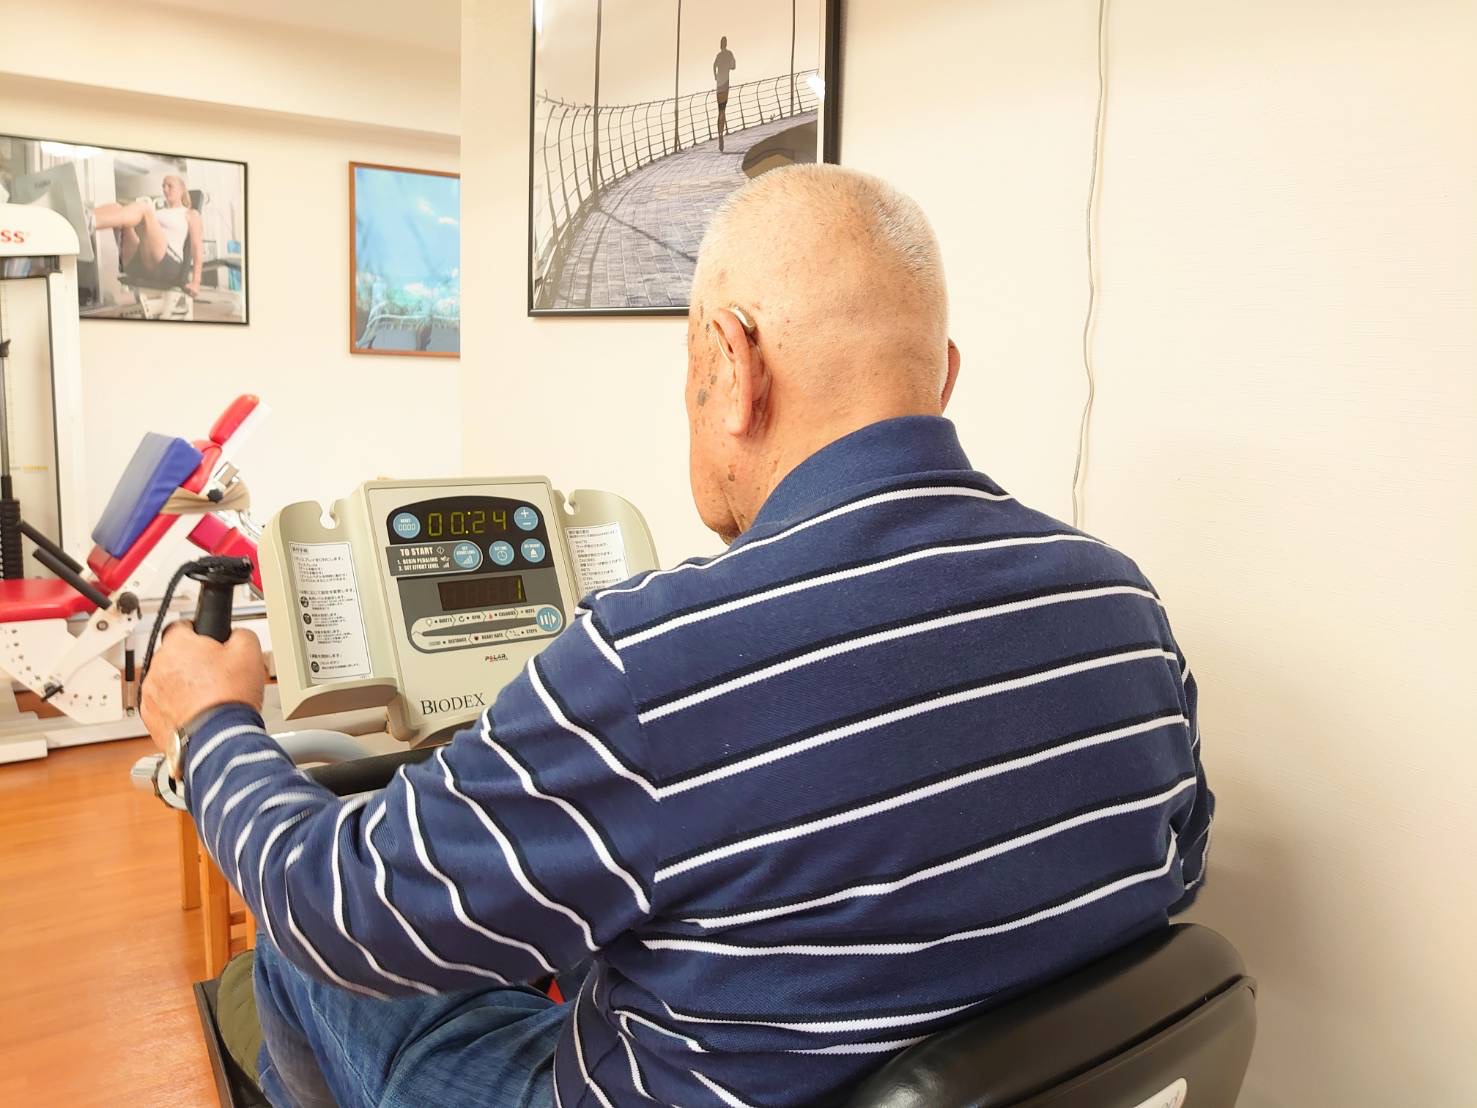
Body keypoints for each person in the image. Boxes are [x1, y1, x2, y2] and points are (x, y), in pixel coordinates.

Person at [142, 164, 1213, 1108]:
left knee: (297, 954)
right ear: (941, 375)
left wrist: (215, 725)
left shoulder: (659, 659)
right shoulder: (1122, 609)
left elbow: (335, 907)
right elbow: (1172, 869)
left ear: (728, 358)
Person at [88, 173, 202, 296]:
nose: (165, 189)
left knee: (144, 208)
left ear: (182, 189)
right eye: (163, 186)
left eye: (170, 186)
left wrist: (196, 282)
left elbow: (197, 247)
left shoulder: (190, 214)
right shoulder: (159, 212)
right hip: (140, 262)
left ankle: (91, 221)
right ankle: (85, 217)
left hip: (168, 264)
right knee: (116, 207)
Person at [713, 36, 737, 151]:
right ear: (726, 44)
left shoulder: (718, 55)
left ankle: (720, 134)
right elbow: (733, 67)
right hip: (725, 85)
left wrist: (715, 77)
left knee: (720, 110)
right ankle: (721, 133)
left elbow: (714, 66)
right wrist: (731, 63)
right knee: (723, 110)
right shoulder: (729, 54)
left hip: (719, 86)